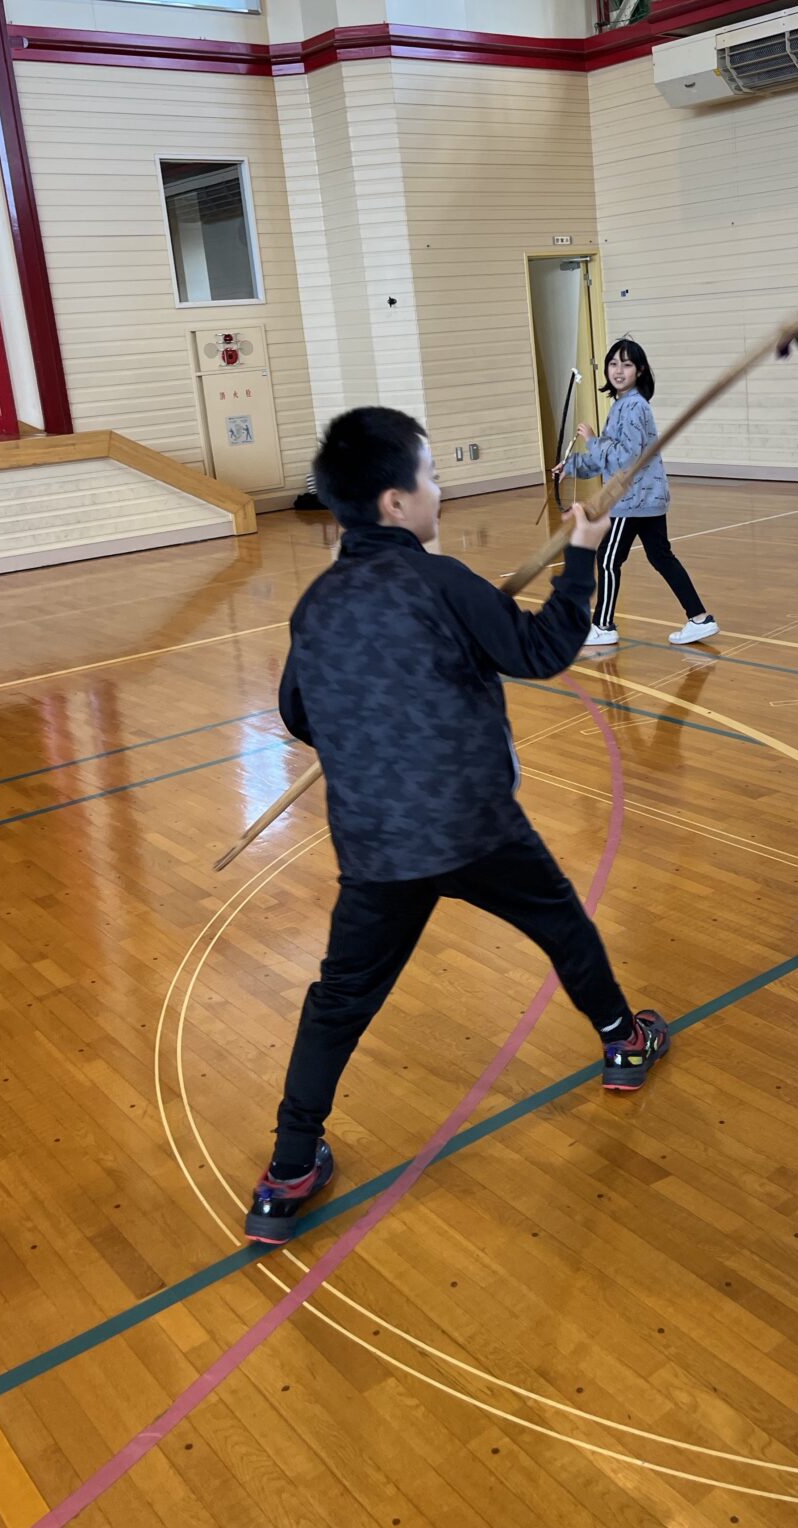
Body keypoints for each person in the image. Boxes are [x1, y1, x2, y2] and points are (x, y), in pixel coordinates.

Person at [246, 407, 669, 1245]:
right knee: (562, 924)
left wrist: (362, 716)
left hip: (377, 849)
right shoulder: (442, 584)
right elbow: (545, 648)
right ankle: (623, 1040)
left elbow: (297, 713)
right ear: (397, 503)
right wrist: (581, 559)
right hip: (474, 827)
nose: (440, 487)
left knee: (339, 1001)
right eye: (431, 474)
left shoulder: (317, 606)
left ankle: (290, 1167)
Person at [556, 338, 718, 648]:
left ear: (639, 371)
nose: (618, 370)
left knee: (607, 560)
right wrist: (572, 465)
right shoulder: (624, 404)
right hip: (647, 498)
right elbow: (610, 457)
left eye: (626, 364)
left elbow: (625, 459)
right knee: (661, 557)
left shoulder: (632, 406)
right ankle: (699, 618)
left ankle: (602, 625)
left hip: (631, 500)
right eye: (613, 363)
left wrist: (591, 439)